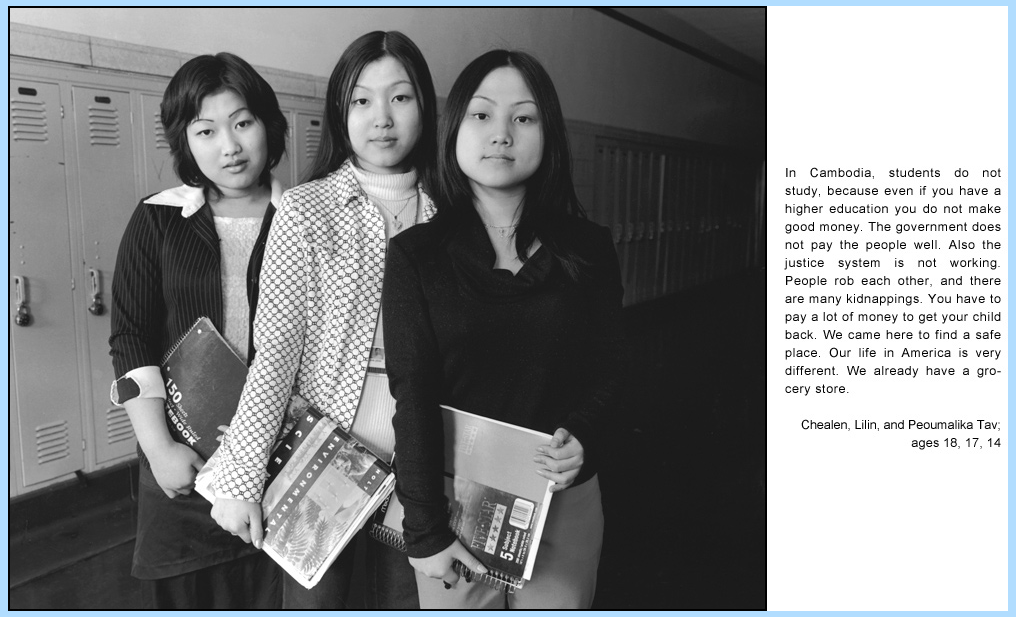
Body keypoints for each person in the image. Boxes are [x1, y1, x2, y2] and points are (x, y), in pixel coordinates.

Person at [382, 49, 627, 609]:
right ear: (454, 129)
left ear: (548, 135)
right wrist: (425, 529)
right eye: (482, 115)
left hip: (563, 502)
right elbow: (412, 394)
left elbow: (611, 365)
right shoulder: (416, 255)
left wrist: (584, 436)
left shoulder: (587, 249)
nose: (502, 134)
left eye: (524, 117)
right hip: (457, 505)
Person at [209, 31, 438, 609]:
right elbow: (277, 352)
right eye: (361, 101)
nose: (381, 118)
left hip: (427, 463)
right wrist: (241, 480)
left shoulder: (452, 213)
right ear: (341, 112)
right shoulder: (306, 210)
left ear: (426, 107)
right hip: (321, 463)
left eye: (400, 98)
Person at [108, 52, 288, 609]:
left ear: (267, 124)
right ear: (186, 141)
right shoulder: (158, 218)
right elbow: (130, 337)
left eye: (242, 123)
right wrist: (158, 448)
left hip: (278, 457)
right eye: (206, 130)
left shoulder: (303, 217)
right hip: (183, 459)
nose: (229, 147)